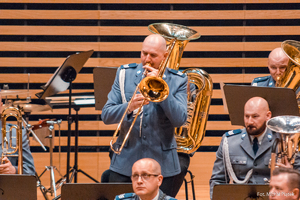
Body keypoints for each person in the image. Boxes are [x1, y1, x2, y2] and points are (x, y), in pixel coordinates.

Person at [101, 34, 188, 196]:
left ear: (165, 56)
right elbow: (106, 115)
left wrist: (162, 89)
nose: (147, 59)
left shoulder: (178, 80)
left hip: (163, 165)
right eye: (144, 53)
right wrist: (129, 106)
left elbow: (179, 120)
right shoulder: (124, 74)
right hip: (126, 162)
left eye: (153, 55)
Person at [209, 96, 300, 199]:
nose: (249, 122)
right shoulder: (229, 141)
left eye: (255, 116)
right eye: (246, 116)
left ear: (268, 116)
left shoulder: (284, 140)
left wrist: (292, 174)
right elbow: (217, 180)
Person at [0, 94, 35, 175]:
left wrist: (14, 170)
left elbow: (30, 171)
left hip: (6, 186)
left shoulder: (16, 133)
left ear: (1, 105)